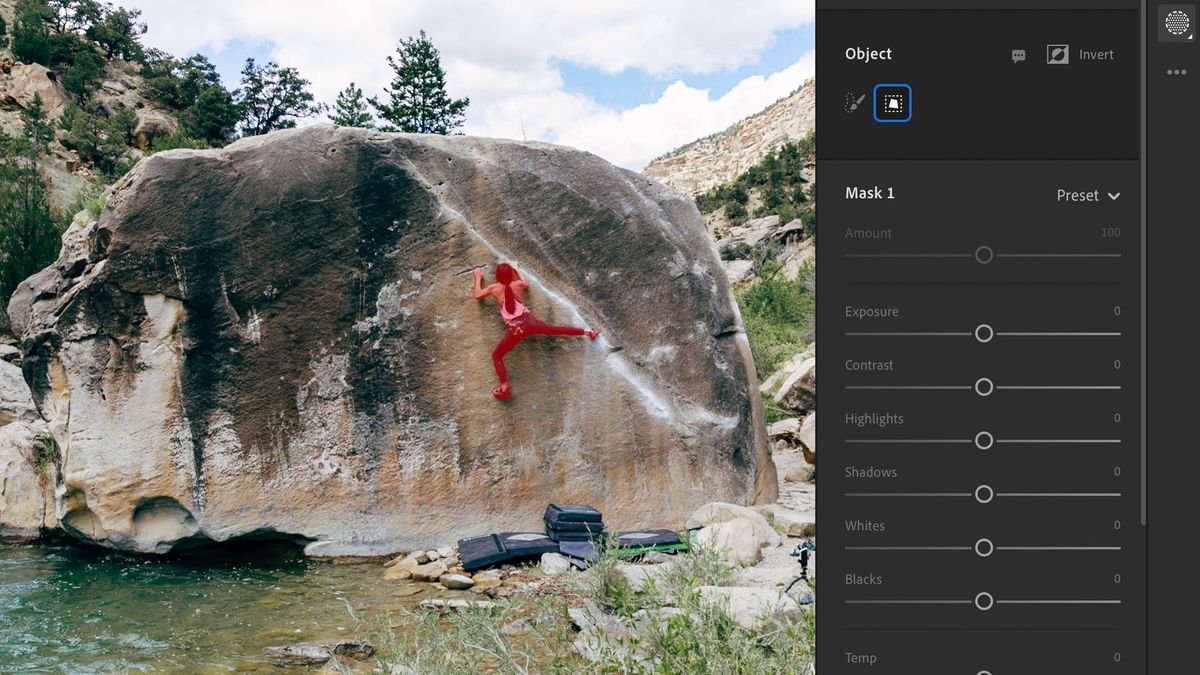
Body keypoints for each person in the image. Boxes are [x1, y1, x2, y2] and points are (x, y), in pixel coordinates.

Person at [474, 262, 599, 399]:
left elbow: (478, 295)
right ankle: (588, 332)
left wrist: (478, 277)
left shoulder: (494, 288)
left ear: (497, 276)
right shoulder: (518, 284)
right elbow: (525, 283)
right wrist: (516, 268)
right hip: (529, 322)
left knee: (497, 356)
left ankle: (505, 387)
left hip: (515, 330)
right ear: (511, 274)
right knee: (554, 329)